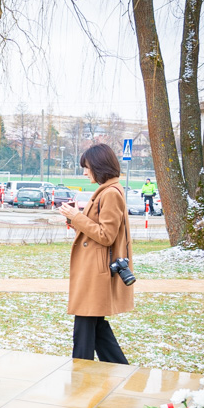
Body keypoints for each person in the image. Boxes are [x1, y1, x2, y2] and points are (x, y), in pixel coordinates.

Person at [59, 144, 133, 364]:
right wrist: (74, 219)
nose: (84, 172)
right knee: (96, 327)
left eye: (87, 167)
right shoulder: (108, 190)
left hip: (96, 271)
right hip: (95, 269)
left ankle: (81, 373)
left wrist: (77, 217)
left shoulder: (110, 193)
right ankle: (122, 370)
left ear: (99, 166)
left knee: (84, 327)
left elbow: (106, 235)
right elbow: (98, 230)